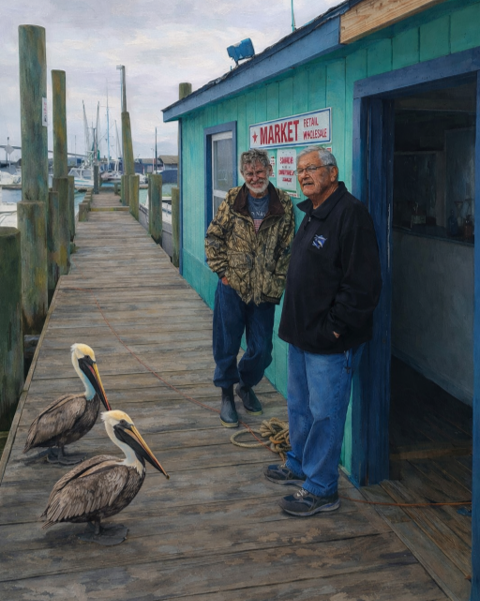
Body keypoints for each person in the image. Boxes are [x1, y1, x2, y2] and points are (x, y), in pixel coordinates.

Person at [264, 146, 382, 517]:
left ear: (332, 173)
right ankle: (298, 462)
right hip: (301, 336)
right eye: (300, 171)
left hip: (329, 342)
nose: (304, 176)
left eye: (311, 169)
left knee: (325, 413)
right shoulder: (313, 212)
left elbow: (363, 286)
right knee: (299, 407)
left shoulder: (351, 215)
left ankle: (321, 488)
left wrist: (334, 330)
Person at [205, 148, 294, 428]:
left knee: (262, 349)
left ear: (269, 169)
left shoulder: (284, 203)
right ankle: (227, 395)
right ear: (243, 174)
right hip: (232, 288)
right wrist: (223, 273)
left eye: (260, 171)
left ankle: (245, 383)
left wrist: (277, 281)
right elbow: (213, 237)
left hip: (264, 290)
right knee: (227, 344)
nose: (255, 177)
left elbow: (287, 249)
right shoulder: (233, 199)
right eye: (249, 173)